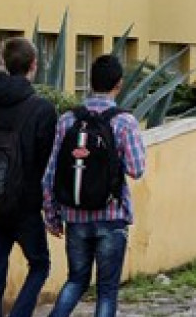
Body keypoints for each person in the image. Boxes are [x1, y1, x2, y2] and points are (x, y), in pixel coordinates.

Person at [42, 54, 146, 317]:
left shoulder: (68, 120)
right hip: (111, 216)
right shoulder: (124, 121)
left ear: (90, 82)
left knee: (76, 280)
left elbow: (50, 172)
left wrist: (52, 216)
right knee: (107, 290)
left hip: (75, 216)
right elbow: (136, 169)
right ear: (119, 84)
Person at [0, 38, 57, 317]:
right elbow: (47, 163)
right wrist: (47, 204)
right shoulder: (42, 109)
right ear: (34, 65)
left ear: (4, 63)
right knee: (39, 264)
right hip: (25, 205)